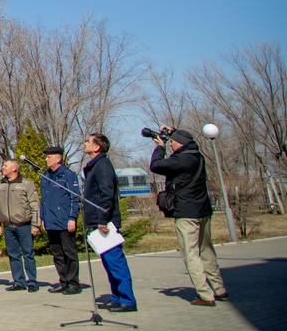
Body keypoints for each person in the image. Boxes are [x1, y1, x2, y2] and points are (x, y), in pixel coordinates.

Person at [149, 127, 228, 306]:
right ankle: (219, 289)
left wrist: (160, 147)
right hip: (203, 211)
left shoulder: (181, 160)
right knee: (207, 250)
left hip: (186, 213)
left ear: (181, 144)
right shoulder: (196, 155)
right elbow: (185, 139)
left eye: (173, 142)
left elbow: (155, 166)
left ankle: (205, 295)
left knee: (191, 254)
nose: (172, 145)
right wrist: (173, 131)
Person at [82, 132, 136, 313]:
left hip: (106, 222)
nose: (85, 143)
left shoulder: (103, 165)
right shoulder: (95, 166)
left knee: (115, 262)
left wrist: (103, 219)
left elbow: (107, 194)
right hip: (99, 221)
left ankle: (127, 300)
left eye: (88, 141)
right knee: (108, 263)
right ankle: (116, 297)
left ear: (97, 147)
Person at [0, 158, 40, 292]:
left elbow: (34, 204)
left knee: (28, 254)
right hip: (8, 226)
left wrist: (35, 224)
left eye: (6, 166)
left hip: (23, 225)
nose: (3, 168)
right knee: (13, 255)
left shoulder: (26, 184)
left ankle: (32, 281)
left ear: (15, 168)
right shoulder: (0, 185)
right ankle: (19, 281)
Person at [40, 146, 81, 295]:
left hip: (64, 221)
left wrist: (72, 218)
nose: (46, 159)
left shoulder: (68, 175)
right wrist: (43, 218)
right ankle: (63, 281)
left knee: (69, 253)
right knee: (57, 253)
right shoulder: (45, 175)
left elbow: (74, 198)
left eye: (49, 157)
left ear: (58, 158)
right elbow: (43, 199)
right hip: (51, 221)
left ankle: (73, 283)